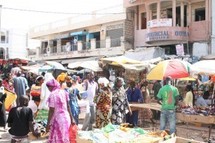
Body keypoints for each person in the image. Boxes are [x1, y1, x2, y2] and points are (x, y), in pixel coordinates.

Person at [46, 78, 73, 143]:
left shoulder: (52, 94)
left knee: (58, 139)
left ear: (52, 86)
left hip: (58, 120)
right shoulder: (64, 92)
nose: (48, 89)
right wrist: (72, 119)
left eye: (48, 87)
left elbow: (51, 110)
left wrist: (48, 123)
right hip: (66, 119)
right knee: (64, 138)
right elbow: (68, 106)